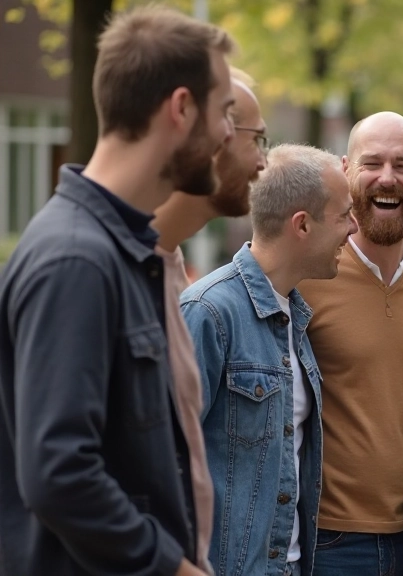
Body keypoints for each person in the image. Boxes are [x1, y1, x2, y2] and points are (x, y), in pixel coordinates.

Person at [0, 6, 235, 576]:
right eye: (224, 111)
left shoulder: (121, 249)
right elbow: (59, 473)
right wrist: (170, 567)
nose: (229, 133)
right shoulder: (77, 260)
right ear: (181, 108)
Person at [181, 144, 358, 575]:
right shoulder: (208, 313)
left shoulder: (293, 315)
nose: (354, 228)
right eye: (343, 216)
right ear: (302, 225)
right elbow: (164, 464)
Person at [299, 112, 403, 576]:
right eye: (372, 163)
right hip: (324, 537)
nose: (388, 178)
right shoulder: (306, 273)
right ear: (346, 170)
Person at [150, 66, 268, 575]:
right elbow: (63, 473)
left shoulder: (170, 268)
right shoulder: (86, 265)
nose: (265, 163)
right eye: (256, 139)